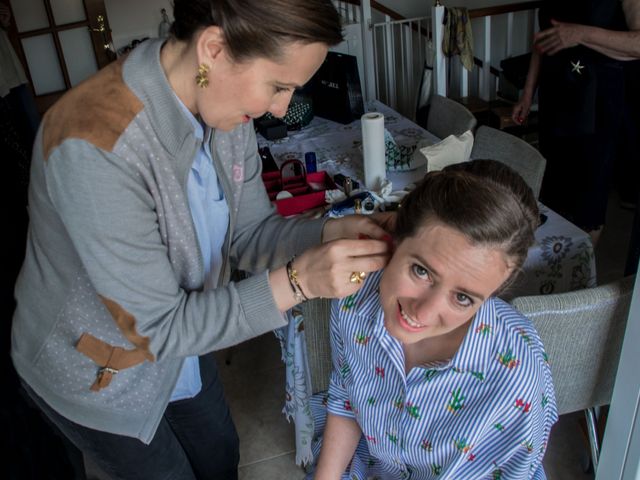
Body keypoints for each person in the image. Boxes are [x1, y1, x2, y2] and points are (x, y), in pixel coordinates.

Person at [10, 1, 392, 479]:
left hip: (187, 340)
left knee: (218, 455)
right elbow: (161, 329)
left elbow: (249, 234)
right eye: (278, 86)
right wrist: (299, 282)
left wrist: (330, 230)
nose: (279, 108)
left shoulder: (223, 109)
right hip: (96, 368)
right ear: (213, 48)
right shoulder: (94, 146)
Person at [311, 160, 558, 479]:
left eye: (463, 298)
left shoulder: (516, 376)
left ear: (494, 291)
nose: (422, 313)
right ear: (394, 238)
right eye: (421, 271)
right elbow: (347, 397)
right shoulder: (354, 298)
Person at [511, 0, 640, 243]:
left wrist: (580, 33)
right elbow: (543, 40)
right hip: (555, 97)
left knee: (587, 200)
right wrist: (528, 93)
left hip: (598, 102)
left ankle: (581, 274)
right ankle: (554, 264)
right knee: (552, 187)